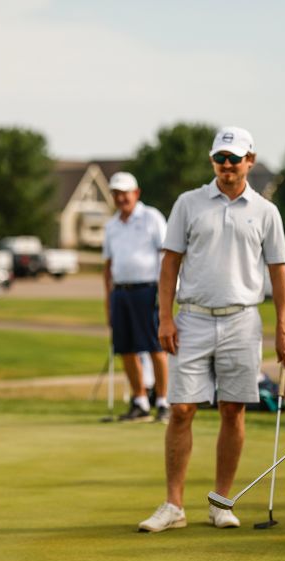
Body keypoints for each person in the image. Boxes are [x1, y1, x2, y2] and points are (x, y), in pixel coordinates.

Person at [137, 126, 285, 533]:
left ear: (250, 161)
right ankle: (174, 505)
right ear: (213, 162)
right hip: (191, 317)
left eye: (234, 158)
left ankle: (220, 502)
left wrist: (284, 327)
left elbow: (279, 274)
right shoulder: (188, 204)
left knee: (233, 409)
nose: (227, 165)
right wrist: (165, 317)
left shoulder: (266, 211)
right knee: (181, 409)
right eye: (220, 159)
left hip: (243, 320)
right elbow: (169, 263)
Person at [102, 171, 170, 423]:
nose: (121, 198)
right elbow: (108, 266)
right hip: (121, 291)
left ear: (136, 193)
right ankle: (140, 400)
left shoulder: (152, 218)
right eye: (116, 193)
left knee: (155, 346)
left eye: (124, 193)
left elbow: (166, 256)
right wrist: (108, 299)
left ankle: (163, 401)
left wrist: (164, 295)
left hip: (148, 290)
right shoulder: (111, 225)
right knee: (126, 349)